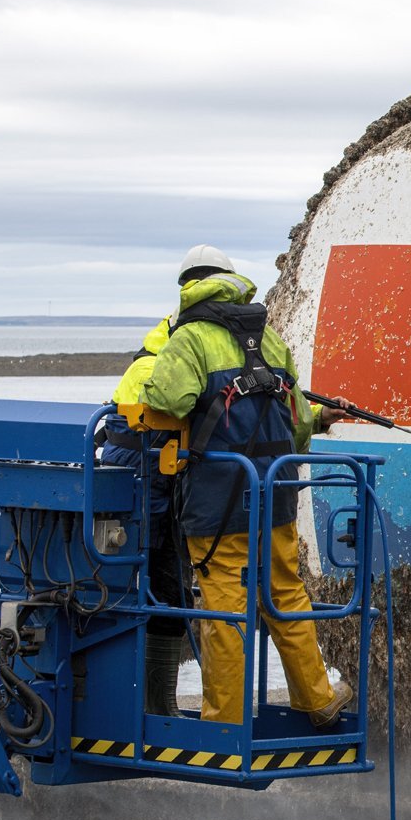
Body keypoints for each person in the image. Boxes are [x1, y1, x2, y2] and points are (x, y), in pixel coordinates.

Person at [140, 245, 352, 729]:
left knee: (226, 611)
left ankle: (224, 722)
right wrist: (320, 418)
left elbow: (170, 402)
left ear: (187, 287)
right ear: (233, 282)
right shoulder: (270, 340)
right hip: (275, 494)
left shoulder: (190, 338)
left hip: (218, 501)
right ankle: (316, 699)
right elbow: (296, 424)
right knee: (285, 593)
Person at [98, 317, 191, 715]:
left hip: (123, 490)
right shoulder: (169, 370)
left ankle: (133, 700)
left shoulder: (143, 365)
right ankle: (158, 706)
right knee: (168, 592)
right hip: (149, 491)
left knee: (120, 588)